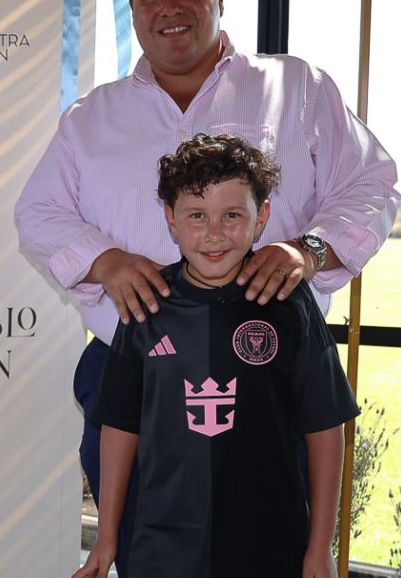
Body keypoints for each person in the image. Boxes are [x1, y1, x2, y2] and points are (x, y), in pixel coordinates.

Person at [14, 0, 400, 574]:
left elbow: (372, 183)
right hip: (133, 372)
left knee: (268, 550)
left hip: (268, 372)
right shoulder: (91, 118)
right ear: (133, 9)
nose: (170, 6)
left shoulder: (297, 87)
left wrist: (309, 249)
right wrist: (105, 260)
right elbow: (38, 212)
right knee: (144, 553)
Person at [74, 133, 357, 578]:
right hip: (163, 550)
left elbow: (324, 427)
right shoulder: (147, 303)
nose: (213, 233)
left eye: (232, 215)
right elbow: (120, 427)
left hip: (270, 546)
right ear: (171, 218)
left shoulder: (289, 303)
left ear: (261, 217)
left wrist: (320, 549)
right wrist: (106, 538)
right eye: (196, 215)